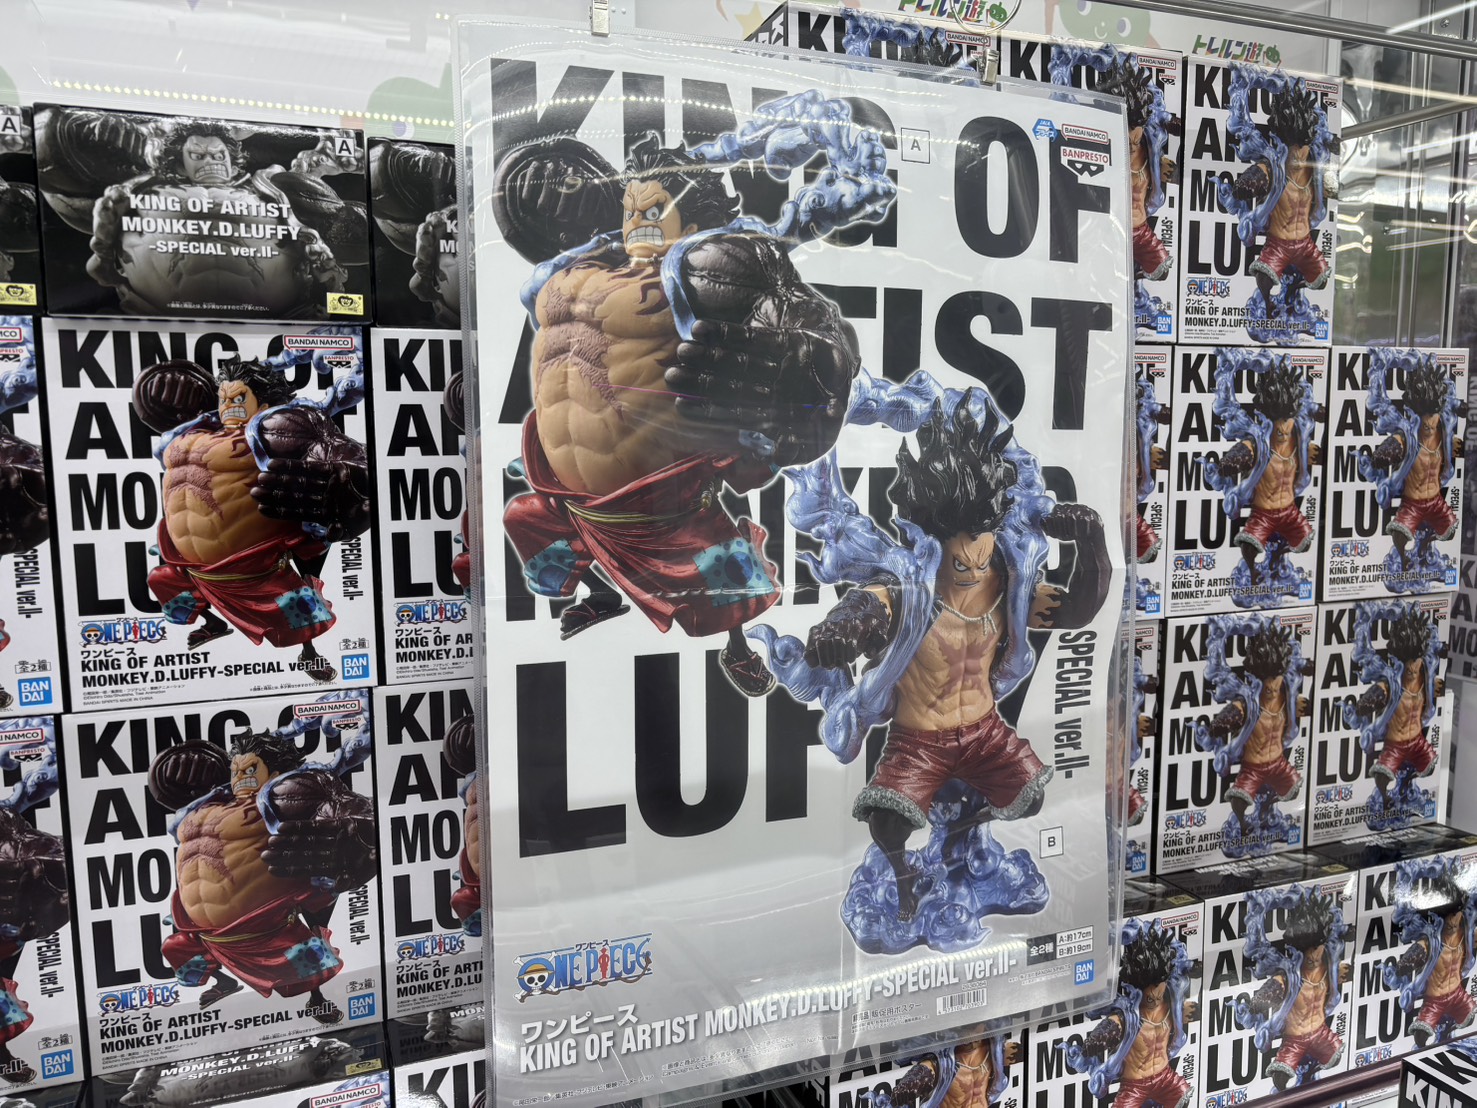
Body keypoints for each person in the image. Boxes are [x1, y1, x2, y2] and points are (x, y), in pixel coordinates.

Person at [499, 132, 861, 696]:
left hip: (656, 489)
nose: (636, 222)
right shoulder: (573, 268)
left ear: (690, 223)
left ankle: (738, 646)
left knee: (721, 568)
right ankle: (601, 596)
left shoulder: (700, 269)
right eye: (630, 210)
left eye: (653, 212)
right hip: (564, 489)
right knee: (525, 520)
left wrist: (812, 365)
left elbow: (798, 315)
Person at [803, 394, 1109, 921]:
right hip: (919, 738)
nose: (973, 562)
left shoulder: (1009, 588)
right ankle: (905, 879)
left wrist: (1093, 542)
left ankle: (958, 831)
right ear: (931, 539)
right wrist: (840, 630)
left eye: (982, 546)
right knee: (887, 824)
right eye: (959, 554)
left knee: (1033, 796)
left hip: (986, 731)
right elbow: (864, 609)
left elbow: (1075, 611)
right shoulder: (907, 591)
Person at [133, 354, 370, 682]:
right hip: (187, 562)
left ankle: (309, 652)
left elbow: (336, 450)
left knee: (298, 608)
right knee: (163, 582)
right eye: (224, 398)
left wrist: (351, 478)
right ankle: (212, 624)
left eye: (239, 398)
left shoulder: (275, 426)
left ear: (262, 400)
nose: (228, 406)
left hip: (250, 562)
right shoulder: (194, 430)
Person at [148, 731, 377, 1022]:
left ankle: (317, 1000)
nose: (240, 777)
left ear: (276, 773)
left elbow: (336, 801)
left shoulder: (277, 798)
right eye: (236, 770)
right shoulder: (205, 805)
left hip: (259, 926)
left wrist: (363, 826)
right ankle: (224, 983)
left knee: (310, 963)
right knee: (175, 950)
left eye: (251, 770)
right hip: (200, 929)